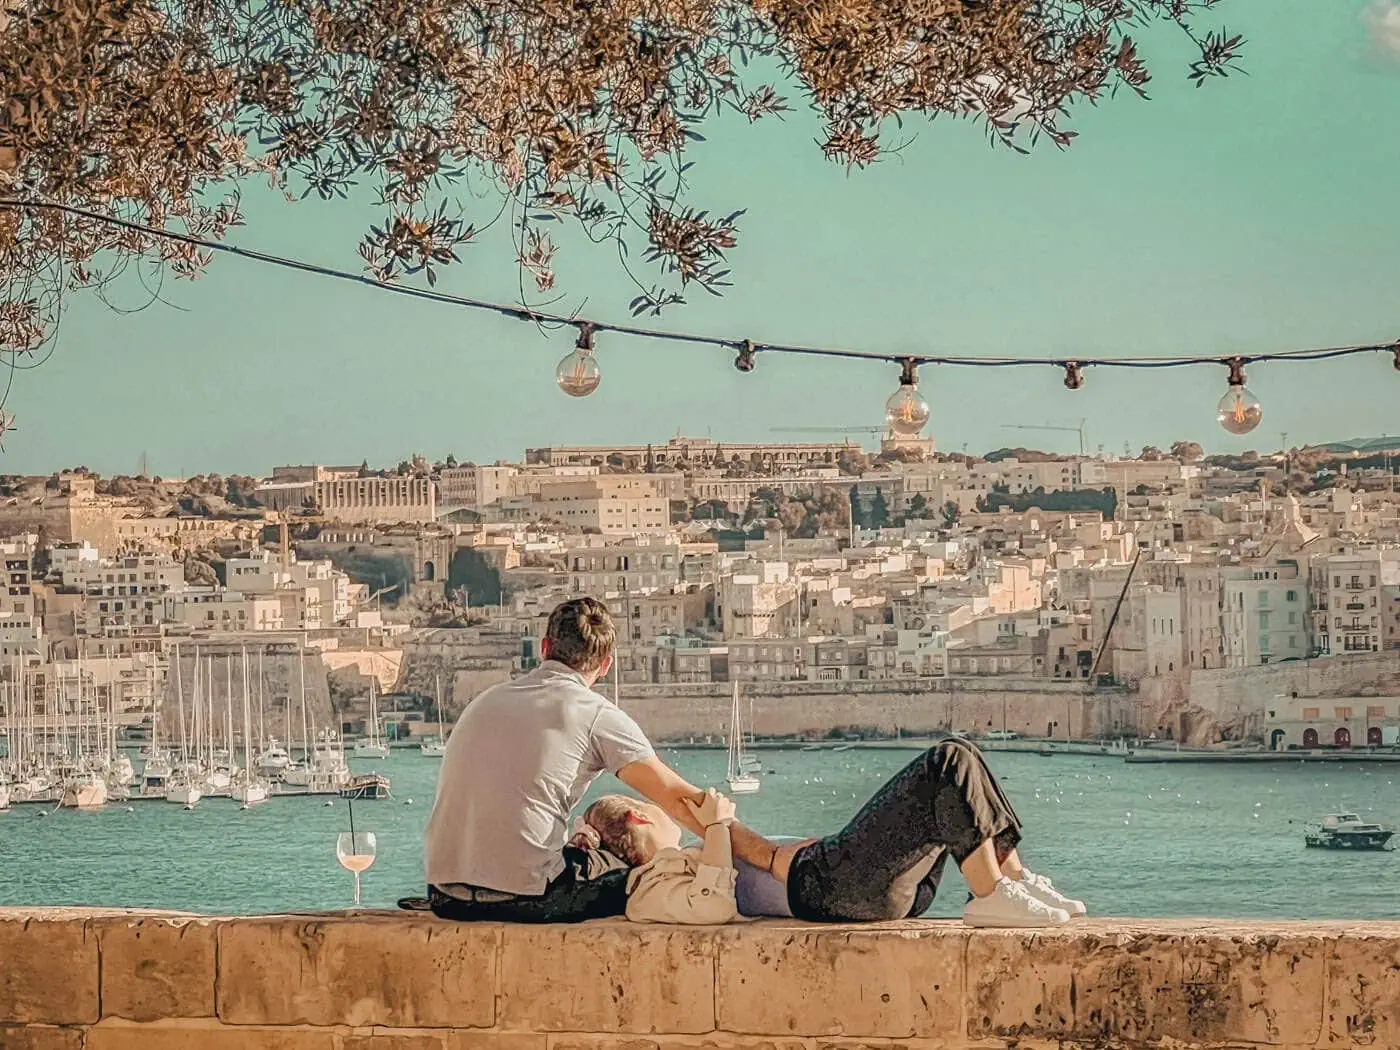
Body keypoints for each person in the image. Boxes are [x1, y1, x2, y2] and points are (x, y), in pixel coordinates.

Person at [416, 596, 770, 923]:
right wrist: (764, 854)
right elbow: (678, 801)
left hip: (445, 896)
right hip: (527, 898)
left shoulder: (484, 701)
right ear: (605, 665)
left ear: (544, 649)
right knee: (640, 869)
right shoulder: (595, 713)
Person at [583, 738, 1087, 928]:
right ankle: (992, 893)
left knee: (964, 759)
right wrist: (718, 827)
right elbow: (720, 897)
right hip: (823, 886)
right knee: (946, 762)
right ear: (638, 818)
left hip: (837, 879)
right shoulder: (648, 886)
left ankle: (1012, 882)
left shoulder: (683, 859)